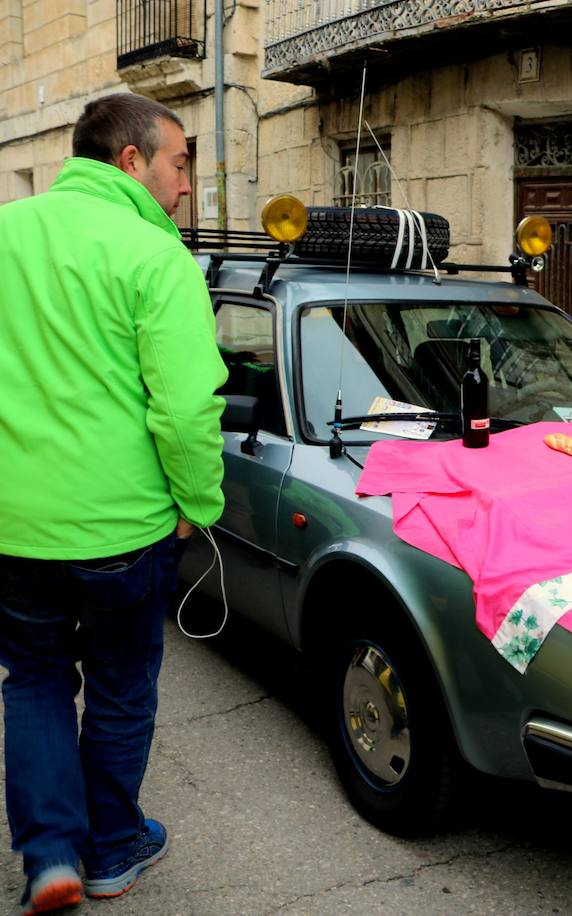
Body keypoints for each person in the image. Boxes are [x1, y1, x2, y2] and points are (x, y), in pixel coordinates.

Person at [0, 93, 227, 913]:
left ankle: (52, 856)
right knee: (123, 689)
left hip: (15, 528)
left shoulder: (5, 232)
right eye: (178, 164)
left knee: (32, 682)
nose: (185, 186)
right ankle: (112, 850)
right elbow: (186, 405)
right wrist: (198, 503)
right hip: (124, 528)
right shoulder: (153, 253)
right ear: (130, 159)